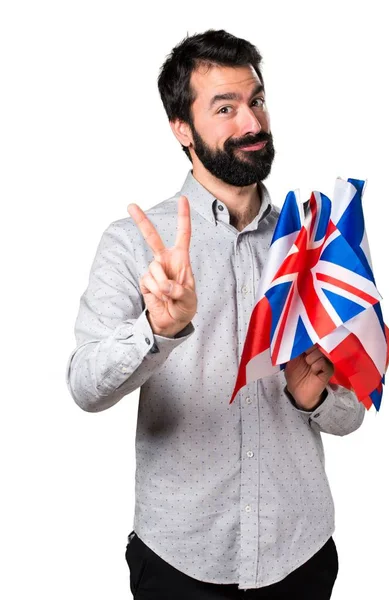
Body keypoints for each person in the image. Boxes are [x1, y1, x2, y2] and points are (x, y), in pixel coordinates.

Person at [66, 29, 365, 599]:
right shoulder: (134, 244)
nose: (251, 123)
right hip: (181, 561)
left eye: (255, 101)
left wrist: (317, 399)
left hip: (299, 554)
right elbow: (84, 387)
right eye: (223, 108)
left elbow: (351, 415)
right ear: (182, 128)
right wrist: (158, 331)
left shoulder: (314, 244)